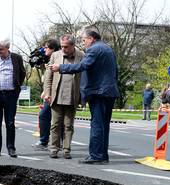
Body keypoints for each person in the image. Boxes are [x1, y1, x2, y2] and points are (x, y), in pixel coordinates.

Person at [50, 27, 119, 164]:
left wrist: (61, 68)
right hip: (109, 92)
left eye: (84, 40)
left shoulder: (93, 49)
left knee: (97, 124)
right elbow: (115, 71)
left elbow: (82, 66)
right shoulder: (107, 48)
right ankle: (103, 155)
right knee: (104, 125)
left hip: (98, 92)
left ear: (91, 38)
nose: (83, 43)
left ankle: (96, 156)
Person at [43, 34, 84, 159]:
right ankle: (54, 148)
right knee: (55, 124)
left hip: (72, 96)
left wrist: (83, 96)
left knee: (68, 125)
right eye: (61, 46)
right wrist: (47, 92)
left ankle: (66, 150)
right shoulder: (56, 55)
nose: (63, 49)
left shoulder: (82, 56)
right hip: (57, 96)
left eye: (66, 47)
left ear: (73, 45)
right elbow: (48, 77)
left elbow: (85, 77)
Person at [32, 38, 61, 150]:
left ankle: (47, 141)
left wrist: (46, 91)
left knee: (48, 116)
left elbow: (54, 78)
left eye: (46, 47)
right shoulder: (49, 59)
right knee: (48, 116)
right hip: (50, 92)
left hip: (56, 92)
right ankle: (48, 141)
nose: (44, 50)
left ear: (53, 49)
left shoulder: (58, 59)